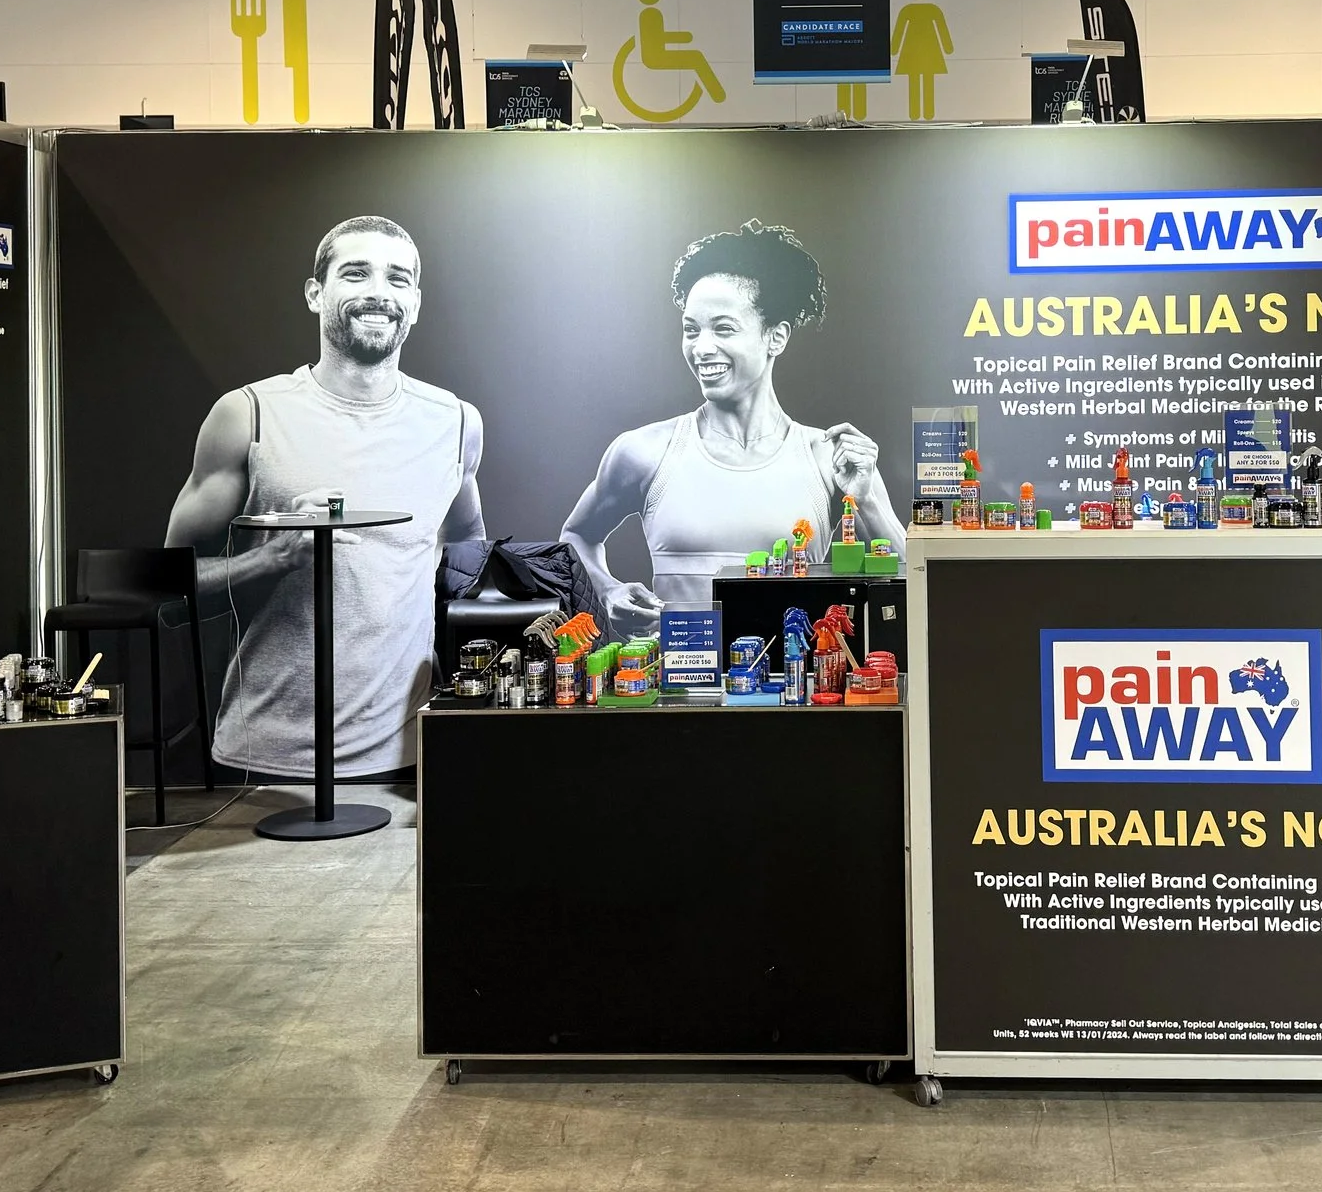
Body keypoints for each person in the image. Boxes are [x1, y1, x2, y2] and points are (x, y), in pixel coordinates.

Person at [166, 215, 484, 781]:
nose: (379, 293)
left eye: (397, 279)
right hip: (268, 759)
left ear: (415, 303)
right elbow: (168, 589)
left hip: (409, 757)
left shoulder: (456, 422)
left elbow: (466, 551)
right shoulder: (248, 415)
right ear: (316, 293)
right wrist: (272, 557)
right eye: (356, 273)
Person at [563, 219, 904, 630]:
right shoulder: (644, 452)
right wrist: (606, 588)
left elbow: (911, 577)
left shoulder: (829, 458)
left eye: (724, 328)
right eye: (691, 330)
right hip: (678, 670)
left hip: (791, 669)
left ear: (776, 337)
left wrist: (866, 501)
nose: (702, 348)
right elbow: (576, 536)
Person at [890, 0, 954, 122]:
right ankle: (926, 113)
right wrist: (948, 47)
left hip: (913, 50)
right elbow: (942, 29)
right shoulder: (932, 9)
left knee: (915, 81)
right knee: (927, 80)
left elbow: (899, 30)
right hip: (928, 50)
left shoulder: (908, 9)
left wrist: (894, 49)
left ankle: (916, 113)